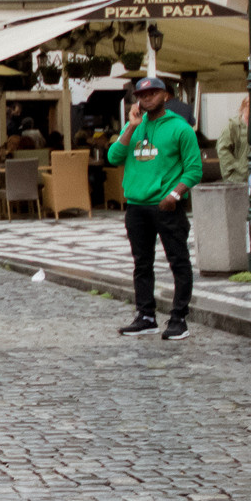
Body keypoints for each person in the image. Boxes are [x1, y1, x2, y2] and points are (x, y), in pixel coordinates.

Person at [107, 76, 203, 340]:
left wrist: (175, 194)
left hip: (166, 206)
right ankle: (146, 315)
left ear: (165, 95)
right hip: (137, 206)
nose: (146, 98)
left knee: (178, 262)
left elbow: (194, 169)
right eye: (142, 95)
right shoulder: (135, 127)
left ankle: (178, 318)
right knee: (142, 263)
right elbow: (113, 157)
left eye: (152, 93)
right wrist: (130, 127)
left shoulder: (180, 128)